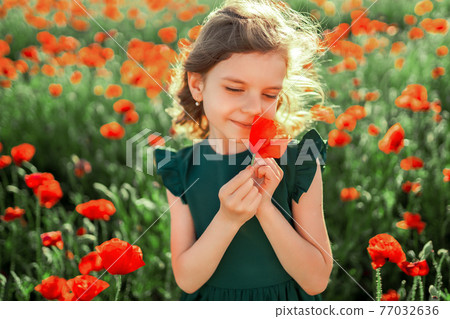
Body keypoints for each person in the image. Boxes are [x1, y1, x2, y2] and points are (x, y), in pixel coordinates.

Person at [153, 0, 333, 301]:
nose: (253, 108)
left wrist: (264, 207)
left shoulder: (299, 162)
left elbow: (316, 281)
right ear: (197, 85)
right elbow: (186, 279)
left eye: (270, 94)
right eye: (235, 89)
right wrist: (228, 219)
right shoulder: (182, 170)